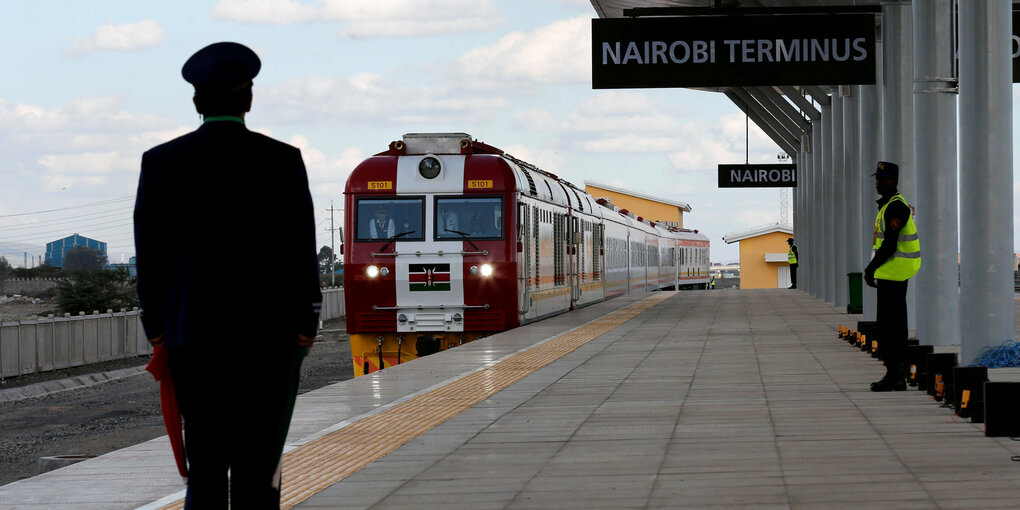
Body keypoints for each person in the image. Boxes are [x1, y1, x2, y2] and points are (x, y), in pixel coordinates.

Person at [134, 42, 321, 508]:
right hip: (270, 340)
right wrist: (307, 322)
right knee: (260, 470)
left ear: (196, 101)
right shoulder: (282, 160)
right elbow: (302, 250)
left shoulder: (160, 163)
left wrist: (157, 329)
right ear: (249, 99)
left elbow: (149, 255)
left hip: (193, 341)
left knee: (207, 467)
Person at [863, 161, 920, 392]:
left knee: (892, 327)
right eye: (877, 178)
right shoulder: (888, 206)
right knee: (891, 326)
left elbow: (889, 245)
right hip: (890, 272)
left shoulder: (896, 207)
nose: (878, 182)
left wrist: (870, 269)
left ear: (894, 181)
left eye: (883, 178)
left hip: (894, 272)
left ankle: (896, 375)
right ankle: (895, 374)